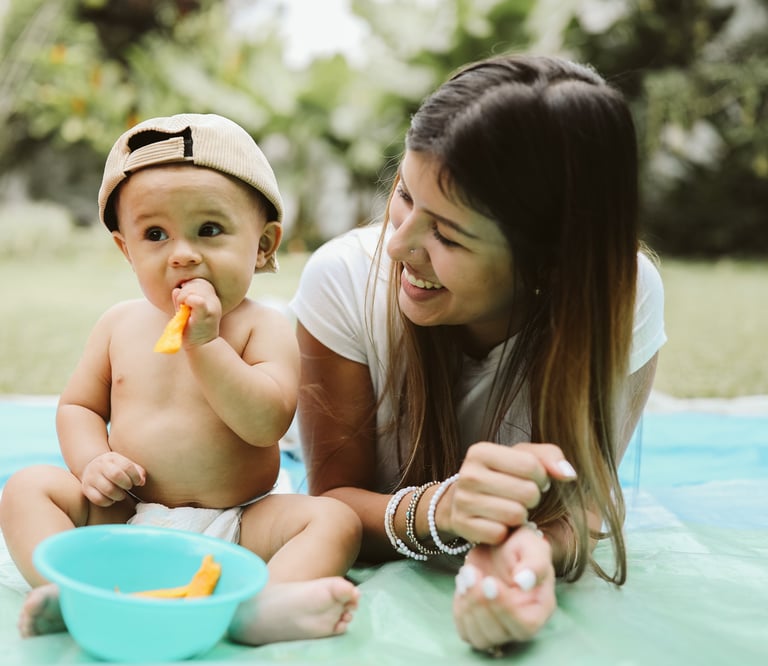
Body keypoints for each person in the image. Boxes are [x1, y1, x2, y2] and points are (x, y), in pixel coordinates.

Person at [290, 54, 666, 655]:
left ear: (550, 263)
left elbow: (583, 501)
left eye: (447, 234)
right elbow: (331, 505)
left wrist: (530, 560)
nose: (398, 245)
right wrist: (443, 512)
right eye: (405, 196)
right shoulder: (342, 278)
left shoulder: (623, 296)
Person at [0, 113, 362, 645]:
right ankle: (73, 591)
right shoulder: (118, 325)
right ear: (127, 249)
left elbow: (266, 423)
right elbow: (78, 407)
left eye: (209, 230)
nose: (183, 253)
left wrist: (207, 345)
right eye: (155, 234)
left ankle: (253, 609)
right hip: (123, 515)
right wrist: (91, 462)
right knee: (26, 488)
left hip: (239, 522)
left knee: (335, 522)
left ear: (262, 246)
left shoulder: (263, 328)